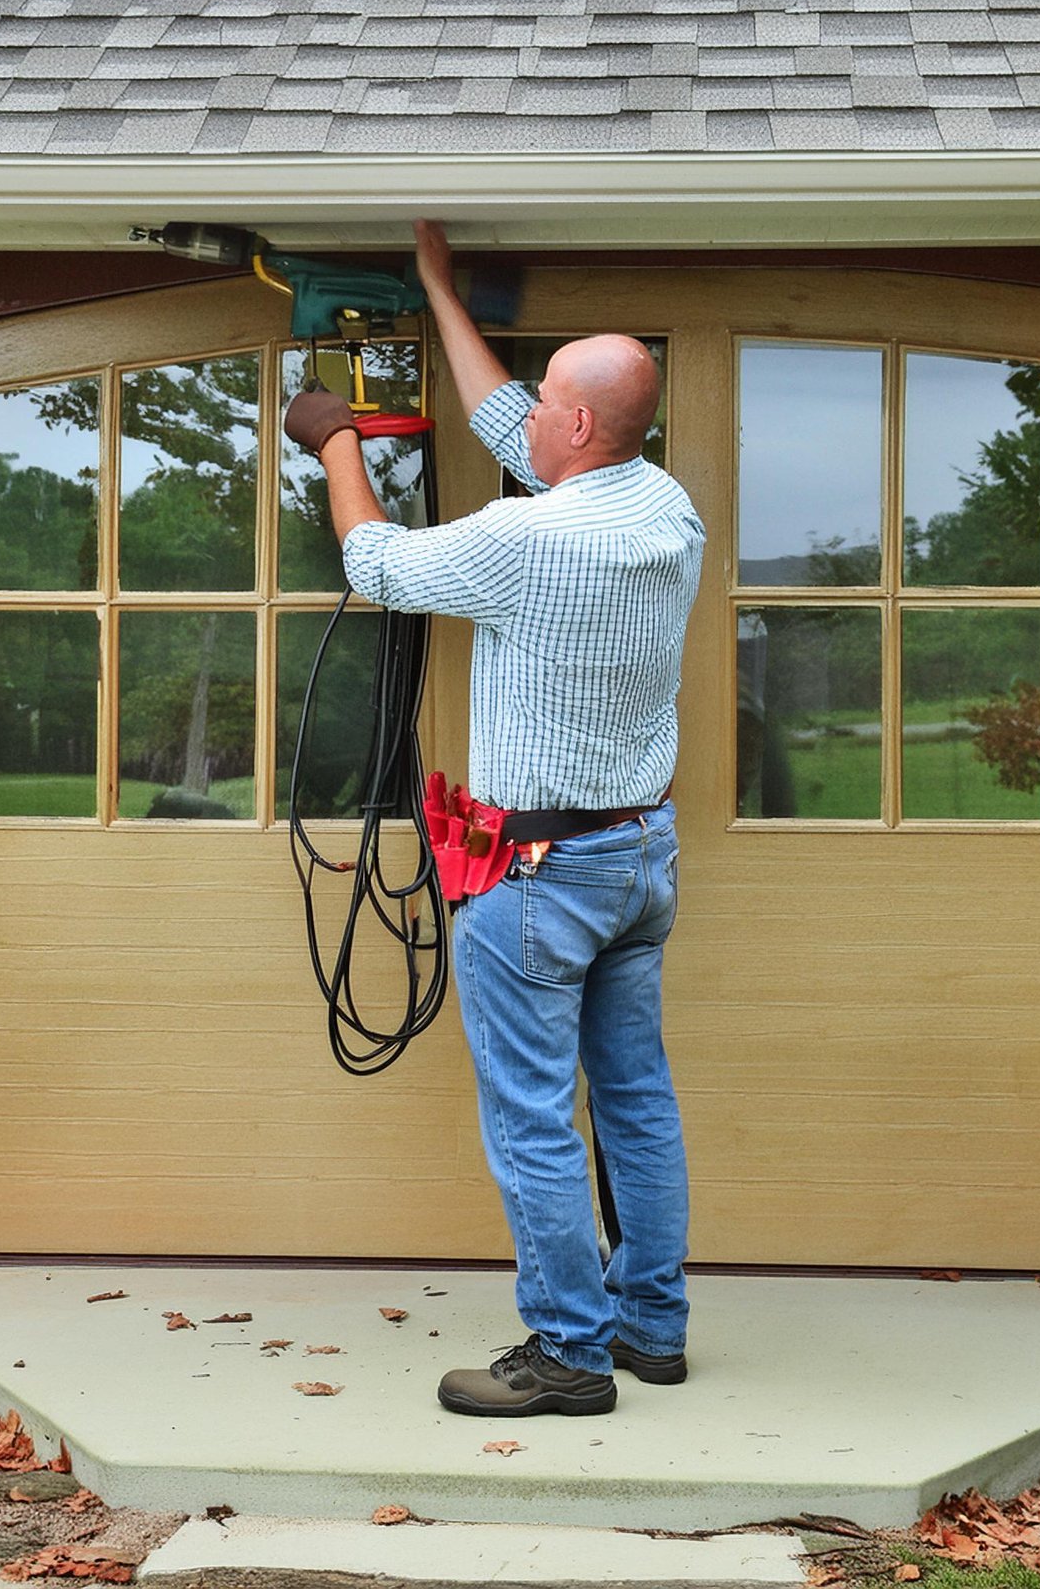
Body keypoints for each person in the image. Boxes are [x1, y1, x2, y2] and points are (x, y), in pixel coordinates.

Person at [283, 220, 705, 1418]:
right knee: (635, 1097)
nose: (526, 423)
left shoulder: (527, 539)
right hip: (635, 855)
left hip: (538, 876)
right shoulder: (662, 505)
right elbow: (509, 419)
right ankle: (651, 1330)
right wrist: (437, 292)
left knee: (530, 1119)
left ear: (574, 428)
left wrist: (338, 442)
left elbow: (374, 562)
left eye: (547, 409)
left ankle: (567, 1350)